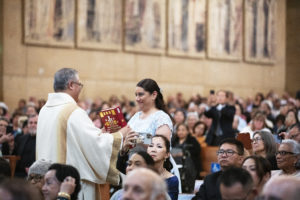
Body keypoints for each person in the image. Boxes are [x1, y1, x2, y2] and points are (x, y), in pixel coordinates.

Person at [36, 68, 132, 199]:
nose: (80, 89)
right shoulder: (72, 111)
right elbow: (96, 144)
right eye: (79, 84)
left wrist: (99, 133)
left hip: (48, 181)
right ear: (71, 85)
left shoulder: (44, 110)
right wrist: (121, 134)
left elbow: (75, 139)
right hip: (68, 183)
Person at [118, 78, 181, 192]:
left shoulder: (161, 117)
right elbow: (122, 136)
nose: (137, 99)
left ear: (154, 95)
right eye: (136, 95)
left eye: (141, 94)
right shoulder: (136, 116)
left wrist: (138, 138)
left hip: (156, 171)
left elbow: (162, 145)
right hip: (134, 168)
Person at [171, 123, 201, 192]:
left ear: (187, 131)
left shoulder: (192, 140)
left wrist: (183, 153)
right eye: (178, 130)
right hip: (175, 163)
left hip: (189, 164)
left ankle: (187, 188)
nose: (180, 132)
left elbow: (197, 151)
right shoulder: (174, 140)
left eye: (183, 130)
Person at [148, 135, 179, 200]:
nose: (153, 150)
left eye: (159, 146)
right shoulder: (139, 173)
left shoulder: (172, 180)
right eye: (151, 146)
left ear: (167, 154)